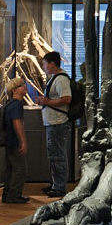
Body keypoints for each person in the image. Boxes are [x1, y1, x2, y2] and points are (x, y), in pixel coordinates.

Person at [35, 51, 72, 198]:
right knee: (54, 154)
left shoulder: (61, 80)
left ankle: (59, 186)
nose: (43, 67)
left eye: (44, 64)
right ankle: (56, 183)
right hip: (52, 122)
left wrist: (47, 102)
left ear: (52, 63)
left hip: (57, 122)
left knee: (57, 155)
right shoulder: (54, 78)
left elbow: (66, 98)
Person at [2, 77, 29, 204]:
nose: (24, 87)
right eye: (21, 85)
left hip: (9, 141)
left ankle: (7, 193)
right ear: (14, 90)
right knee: (20, 168)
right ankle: (14, 194)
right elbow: (17, 123)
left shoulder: (9, 103)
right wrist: (23, 141)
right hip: (14, 142)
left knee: (10, 168)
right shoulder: (17, 105)